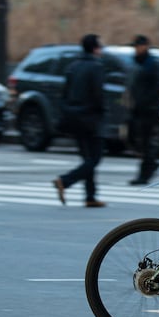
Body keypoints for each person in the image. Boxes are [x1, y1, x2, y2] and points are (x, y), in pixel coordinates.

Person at [52, 33, 107, 208]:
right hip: (90, 119)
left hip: (74, 118)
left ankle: (90, 196)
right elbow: (98, 95)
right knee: (95, 159)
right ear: (94, 48)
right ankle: (65, 181)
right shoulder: (96, 67)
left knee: (87, 158)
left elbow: (64, 93)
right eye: (100, 46)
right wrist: (103, 111)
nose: (102, 49)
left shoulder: (73, 66)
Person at [127, 34, 159, 185]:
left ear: (145, 46)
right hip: (140, 108)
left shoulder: (153, 64)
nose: (136, 49)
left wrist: (147, 102)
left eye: (138, 46)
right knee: (140, 141)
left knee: (145, 141)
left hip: (150, 109)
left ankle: (145, 173)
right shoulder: (140, 62)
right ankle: (150, 165)